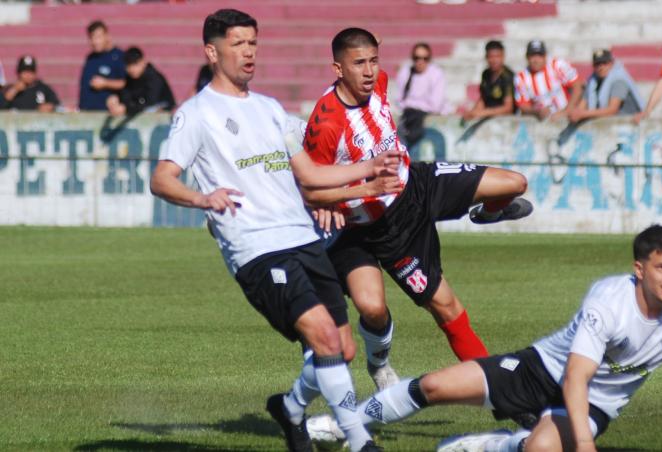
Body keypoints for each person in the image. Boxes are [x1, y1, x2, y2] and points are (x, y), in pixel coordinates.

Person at [149, 10, 398, 452]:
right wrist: (203, 199)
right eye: (238, 43)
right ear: (212, 51)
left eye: (253, 43)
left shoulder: (268, 109)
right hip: (257, 249)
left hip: (302, 238)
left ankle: (289, 407)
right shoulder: (197, 114)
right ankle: (361, 442)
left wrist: (369, 175)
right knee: (322, 334)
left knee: (341, 349)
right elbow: (162, 178)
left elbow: (312, 173)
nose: (249, 52)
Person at [306, 225, 662, 452]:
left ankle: (491, 445)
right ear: (639, 269)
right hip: (541, 369)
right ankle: (346, 421)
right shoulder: (608, 301)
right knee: (435, 386)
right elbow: (575, 377)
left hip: (594, 404)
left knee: (540, 448)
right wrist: (584, 447)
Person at [300, 28, 533, 391]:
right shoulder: (326, 123)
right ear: (337, 69)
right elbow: (310, 188)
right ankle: (495, 390)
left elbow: (374, 52)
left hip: (418, 185)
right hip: (374, 229)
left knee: (514, 183)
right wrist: (350, 195)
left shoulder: (379, 83)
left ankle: (487, 214)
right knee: (400, 308)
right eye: (358, 63)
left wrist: (373, 42)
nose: (368, 71)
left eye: (373, 61)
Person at [394, 42, 449, 150]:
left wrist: (411, 104)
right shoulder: (405, 72)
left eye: (425, 58)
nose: (420, 61)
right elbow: (399, 100)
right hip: (407, 120)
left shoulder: (436, 73)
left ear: (429, 59)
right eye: (417, 58)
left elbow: (435, 106)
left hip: (428, 123)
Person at [566, 49, 644, 123]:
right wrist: (573, 114)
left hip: (626, 126)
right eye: (597, 64)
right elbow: (581, 107)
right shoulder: (592, 83)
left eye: (604, 63)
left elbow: (612, 110)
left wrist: (583, 114)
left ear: (611, 63)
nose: (601, 67)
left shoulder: (619, 80)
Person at [514, 40, 582, 121]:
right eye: (532, 56)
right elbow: (523, 105)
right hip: (542, 121)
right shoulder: (521, 78)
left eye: (539, 55)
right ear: (527, 57)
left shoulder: (558, 65)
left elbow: (577, 87)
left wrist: (566, 111)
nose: (536, 60)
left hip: (566, 116)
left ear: (545, 56)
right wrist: (537, 112)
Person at [107, 46, 176, 117]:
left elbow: (150, 102)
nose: (132, 69)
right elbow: (126, 97)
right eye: (129, 65)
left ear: (143, 62)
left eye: (135, 64)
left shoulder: (154, 77)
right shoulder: (129, 78)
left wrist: (127, 108)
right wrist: (116, 101)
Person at [78, 20, 126, 111]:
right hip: (87, 113)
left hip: (107, 115)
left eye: (98, 37)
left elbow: (127, 83)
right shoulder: (90, 58)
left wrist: (106, 83)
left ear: (107, 36)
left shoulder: (119, 57)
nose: (95, 42)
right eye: (91, 38)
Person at [462, 40, 515, 121]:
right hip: (489, 120)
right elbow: (483, 99)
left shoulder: (508, 77)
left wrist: (482, 113)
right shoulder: (485, 74)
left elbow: (508, 108)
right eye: (491, 56)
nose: (494, 60)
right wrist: (472, 113)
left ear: (503, 57)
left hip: (505, 121)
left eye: (497, 56)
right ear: (486, 57)